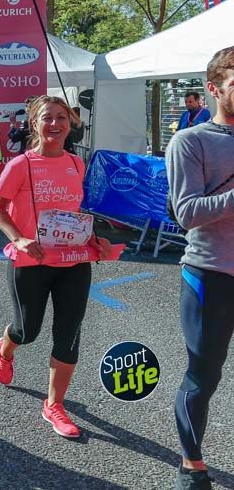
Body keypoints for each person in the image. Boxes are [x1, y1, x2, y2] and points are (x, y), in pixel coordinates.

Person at [0, 96, 115, 440]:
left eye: (62, 117)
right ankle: (6, 347)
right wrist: (17, 238)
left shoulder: (77, 164)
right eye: (48, 118)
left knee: (68, 334)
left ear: (70, 123)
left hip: (74, 262)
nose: (55, 124)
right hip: (31, 262)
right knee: (27, 331)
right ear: (35, 124)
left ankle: (54, 405)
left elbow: (78, 212)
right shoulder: (21, 165)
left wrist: (94, 239)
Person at [166, 47, 234, 490]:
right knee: (204, 374)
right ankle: (193, 463)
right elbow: (186, 212)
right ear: (213, 88)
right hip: (212, 274)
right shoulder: (190, 141)